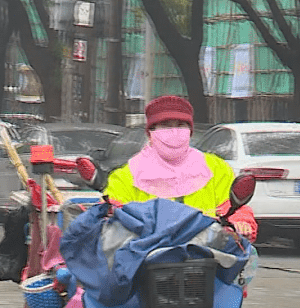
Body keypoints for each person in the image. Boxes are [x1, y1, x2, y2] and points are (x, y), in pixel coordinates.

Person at [102, 95, 257, 241]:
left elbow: (233, 208)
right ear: (150, 133)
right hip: (147, 257)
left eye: (180, 125)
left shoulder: (216, 168)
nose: (174, 132)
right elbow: (113, 212)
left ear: (190, 132)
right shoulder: (126, 175)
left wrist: (240, 223)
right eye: (165, 126)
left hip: (205, 255)